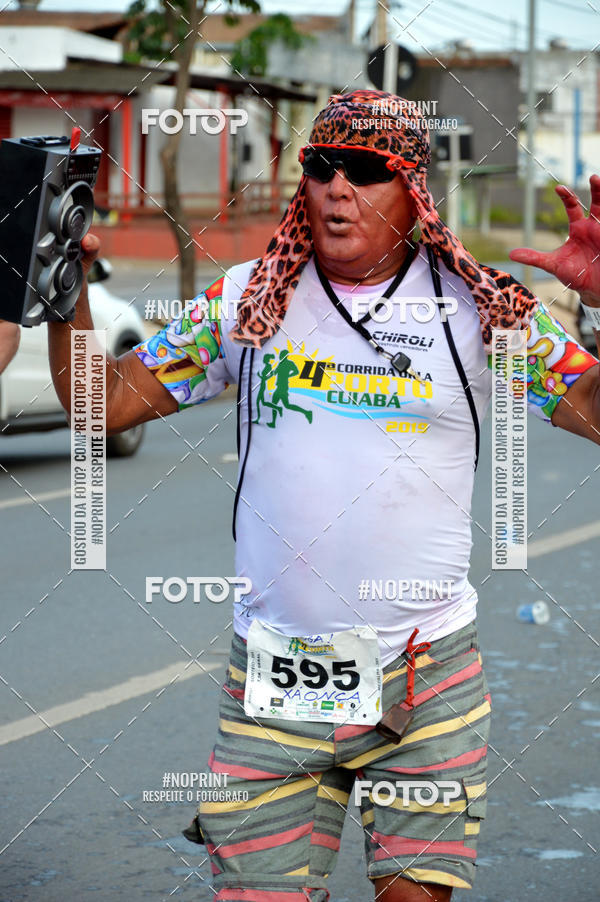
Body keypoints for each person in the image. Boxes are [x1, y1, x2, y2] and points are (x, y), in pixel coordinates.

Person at [48, 90, 600, 902]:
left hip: (425, 680)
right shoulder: (247, 300)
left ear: (412, 188)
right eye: (320, 166)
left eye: (366, 170)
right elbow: (103, 404)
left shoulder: (479, 312)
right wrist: (64, 291)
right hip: (274, 681)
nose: (338, 187)